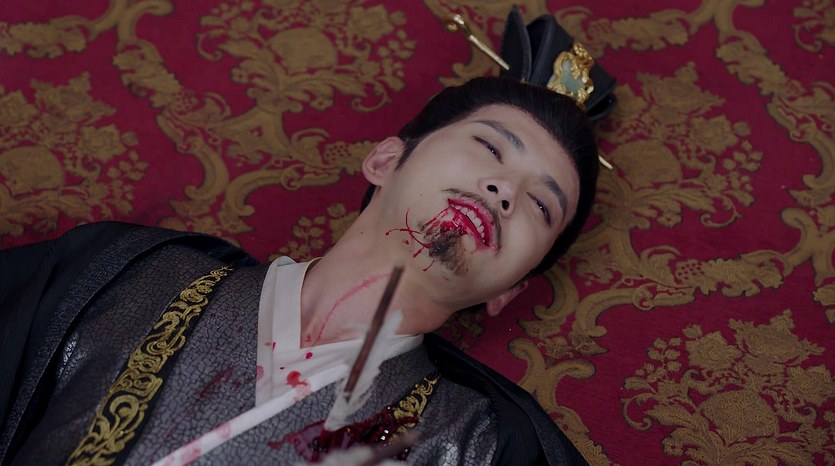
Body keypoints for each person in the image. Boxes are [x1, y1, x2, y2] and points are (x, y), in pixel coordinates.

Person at [0, 76, 597, 465]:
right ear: (386, 159)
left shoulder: (472, 443)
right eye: (490, 148)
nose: (504, 190)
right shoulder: (132, 274)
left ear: (509, 291)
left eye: (541, 206)